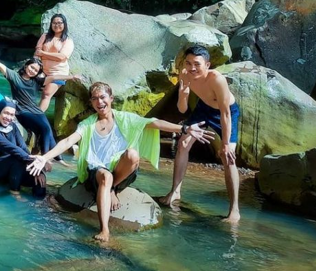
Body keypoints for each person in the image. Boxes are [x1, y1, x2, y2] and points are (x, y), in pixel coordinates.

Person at [28, 82, 214, 242]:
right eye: (94, 99)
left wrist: (184, 128)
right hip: (98, 173)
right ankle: (104, 229)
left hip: (122, 172)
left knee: (132, 154)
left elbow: (153, 123)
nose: (99, 102)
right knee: (104, 176)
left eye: (102, 97)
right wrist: (45, 157)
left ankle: (111, 188)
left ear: (111, 98)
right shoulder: (88, 124)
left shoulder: (124, 119)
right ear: (91, 102)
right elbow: (68, 141)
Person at [159, 45, 242, 223]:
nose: (192, 68)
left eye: (197, 64)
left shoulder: (216, 79)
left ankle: (234, 210)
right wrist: (183, 95)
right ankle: (175, 191)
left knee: (228, 157)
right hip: (204, 108)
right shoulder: (185, 74)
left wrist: (226, 143)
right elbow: (182, 110)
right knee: (182, 144)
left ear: (207, 64)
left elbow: (225, 113)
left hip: (225, 112)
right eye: (188, 63)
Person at [0, 46, 81, 161]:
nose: (32, 71)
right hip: (22, 111)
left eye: (35, 70)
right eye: (31, 67)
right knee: (44, 128)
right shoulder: (14, 77)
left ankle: (58, 159)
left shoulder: (36, 81)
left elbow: (53, 77)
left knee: (47, 130)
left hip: (36, 111)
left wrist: (71, 77)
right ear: (26, 65)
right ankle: (44, 158)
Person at [0, 99, 48, 197]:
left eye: (12, 115)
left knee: (39, 180)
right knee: (16, 157)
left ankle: (39, 205)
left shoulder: (13, 127)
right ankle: (15, 193)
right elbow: (11, 148)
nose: (9, 117)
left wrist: (37, 170)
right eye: (6, 113)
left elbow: (23, 147)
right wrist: (34, 159)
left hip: (11, 169)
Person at [35, 14, 75, 112]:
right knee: (26, 83)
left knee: (46, 93)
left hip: (58, 73)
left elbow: (62, 57)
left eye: (59, 23)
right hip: (43, 71)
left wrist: (43, 53)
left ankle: (37, 116)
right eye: (54, 23)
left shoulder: (68, 41)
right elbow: (37, 52)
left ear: (64, 24)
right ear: (51, 24)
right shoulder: (45, 36)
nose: (57, 25)